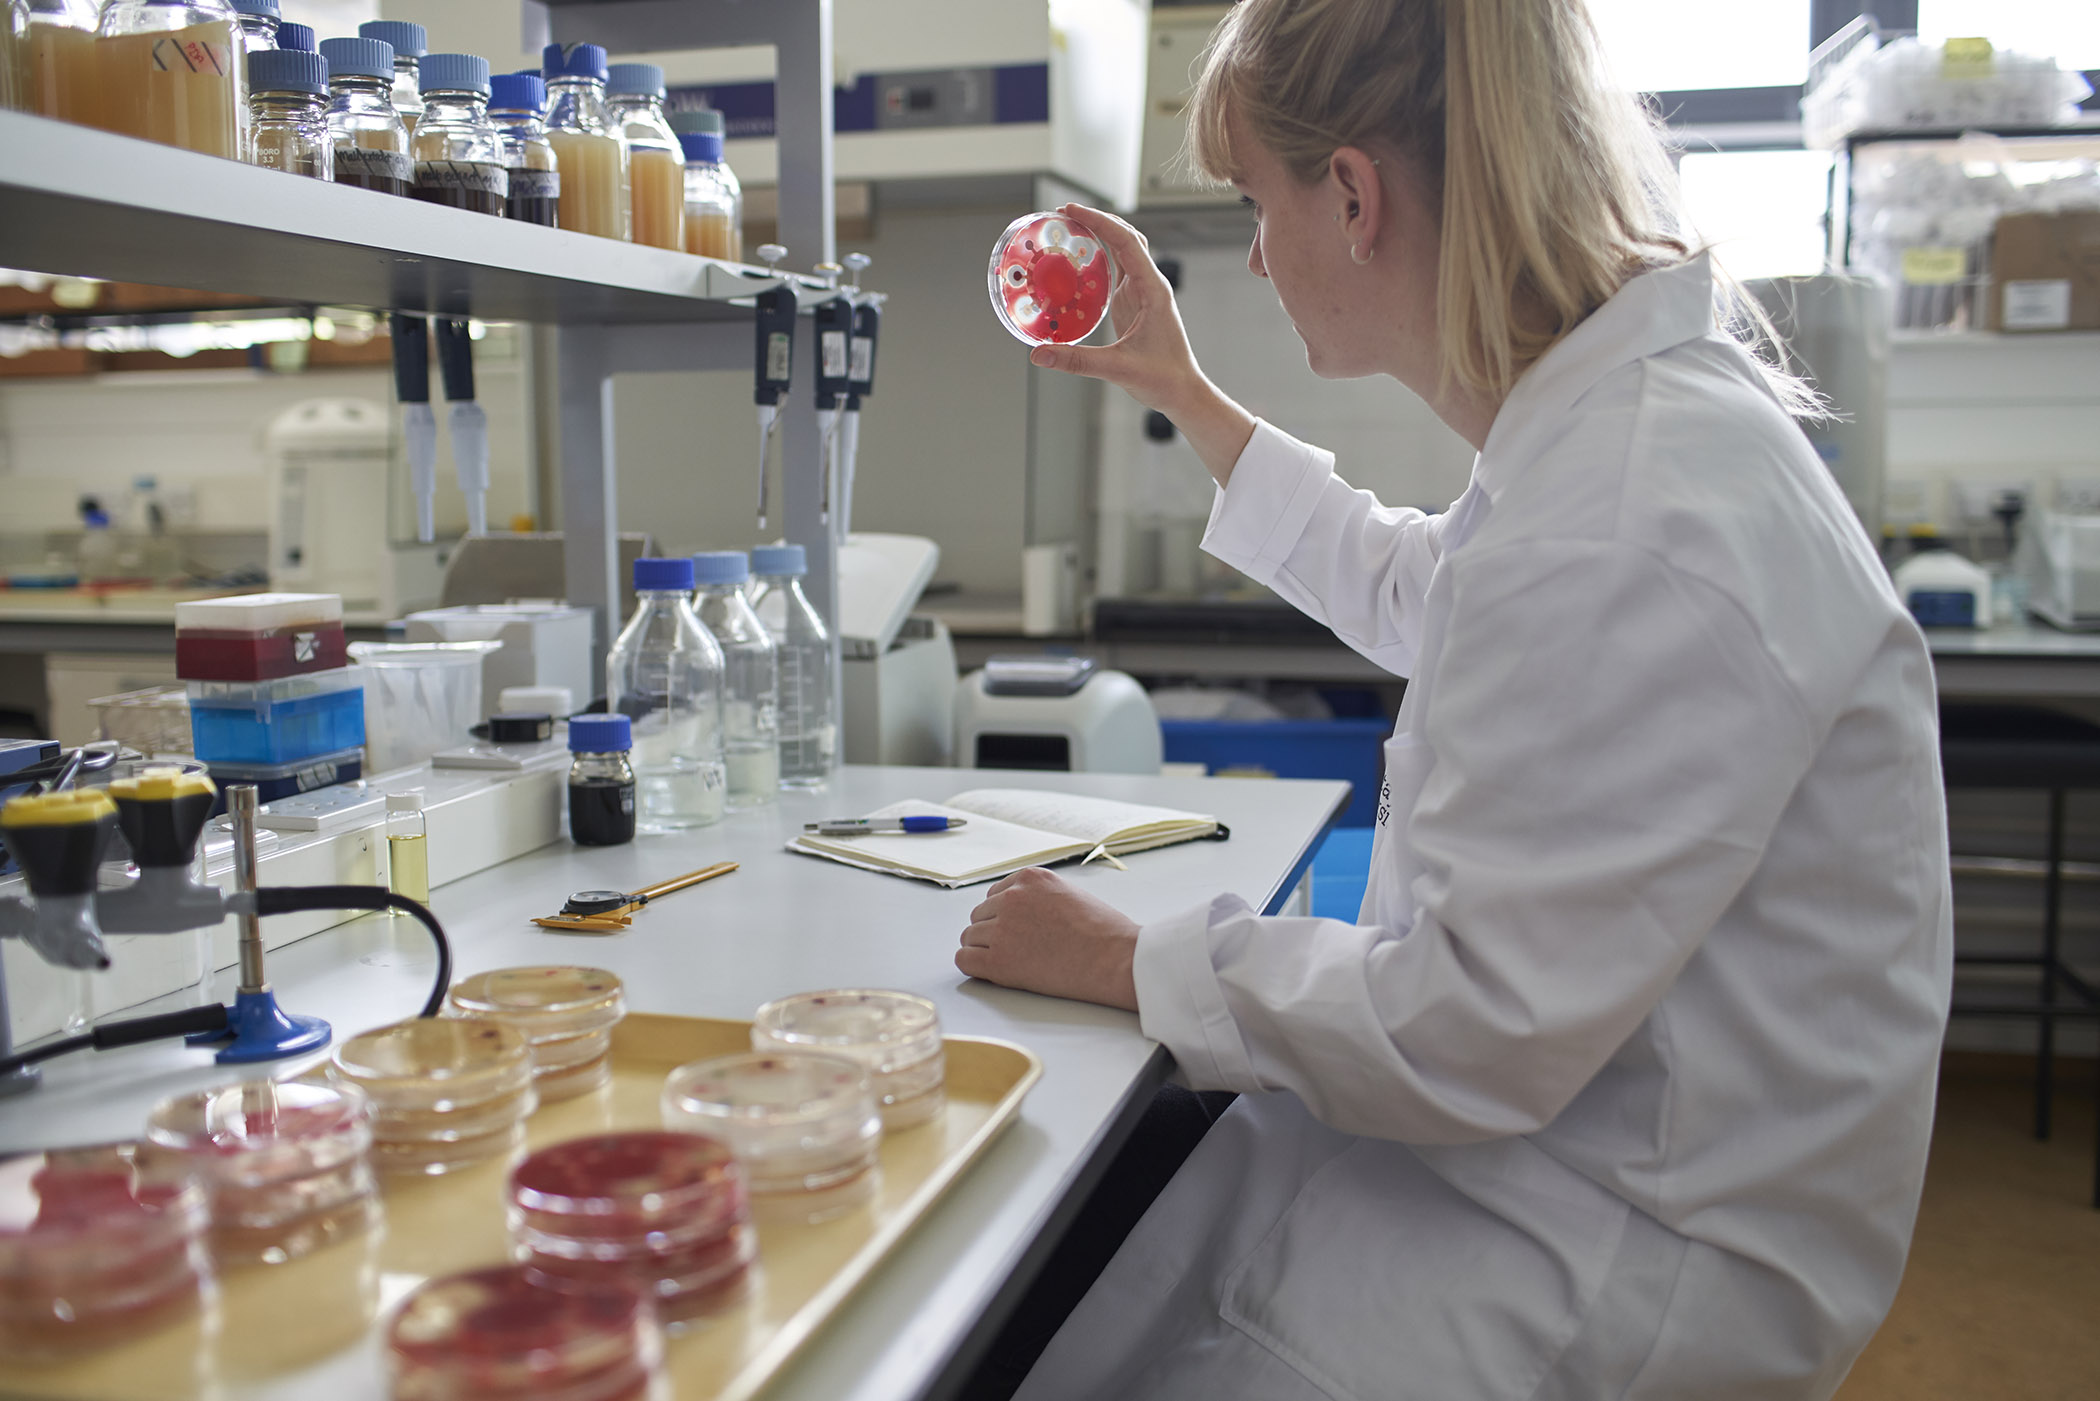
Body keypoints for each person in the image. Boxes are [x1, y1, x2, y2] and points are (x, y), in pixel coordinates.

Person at [956, 2, 1952, 1398]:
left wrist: (1130, 958)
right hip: (1570, 1151)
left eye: (1255, 201)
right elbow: (1435, 589)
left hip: (1603, 1254)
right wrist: (1179, 384)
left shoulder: (1625, 514)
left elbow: (1463, 1027)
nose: (1253, 248)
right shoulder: (1614, 440)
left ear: (1352, 195)